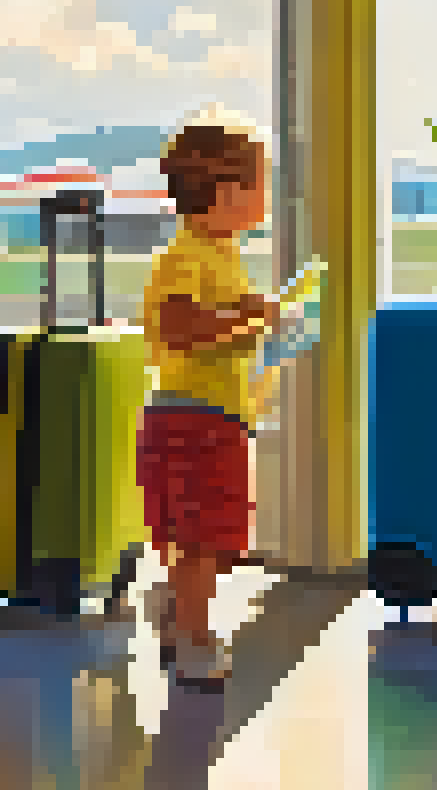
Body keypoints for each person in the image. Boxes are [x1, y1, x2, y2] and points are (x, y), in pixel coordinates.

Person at [138, 109, 282, 685]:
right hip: (192, 417)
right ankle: (194, 639)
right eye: (260, 185)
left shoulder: (222, 255)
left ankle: (177, 610)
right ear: (226, 192)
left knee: (214, 533)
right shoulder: (185, 257)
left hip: (216, 415)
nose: (266, 198)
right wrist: (245, 316)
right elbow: (176, 325)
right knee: (202, 536)